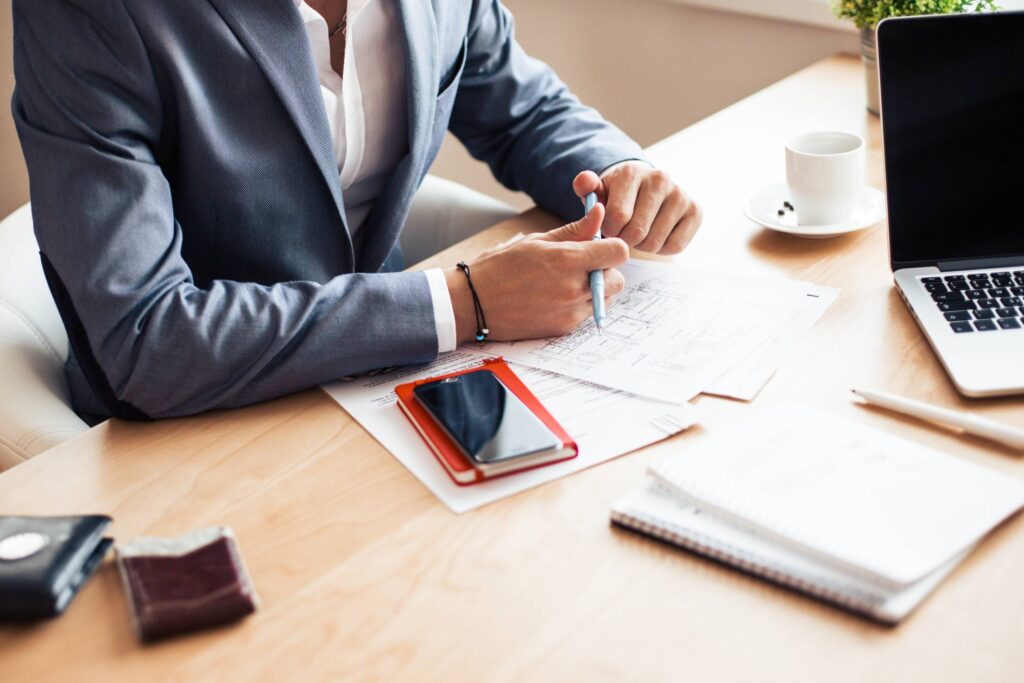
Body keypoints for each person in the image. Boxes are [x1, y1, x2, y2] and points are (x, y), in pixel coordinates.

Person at [12, 0, 702, 422]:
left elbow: (521, 109)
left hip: (394, 389)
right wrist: (464, 301)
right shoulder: (89, 10)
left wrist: (618, 170)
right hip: (194, 429)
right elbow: (147, 339)